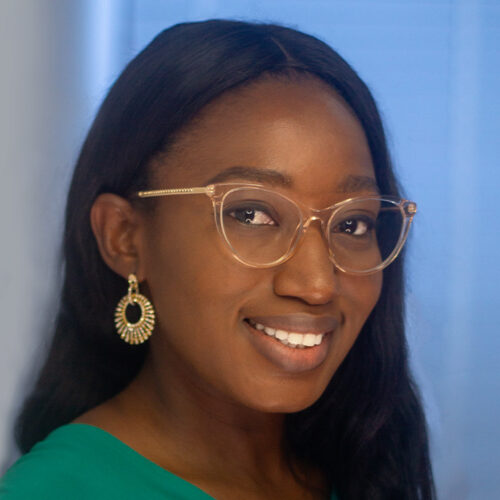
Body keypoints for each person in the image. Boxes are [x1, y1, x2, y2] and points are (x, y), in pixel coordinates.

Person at [0, 19, 435, 499]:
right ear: (124, 238)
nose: (317, 284)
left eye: (352, 224)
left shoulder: (364, 470)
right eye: (252, 214)